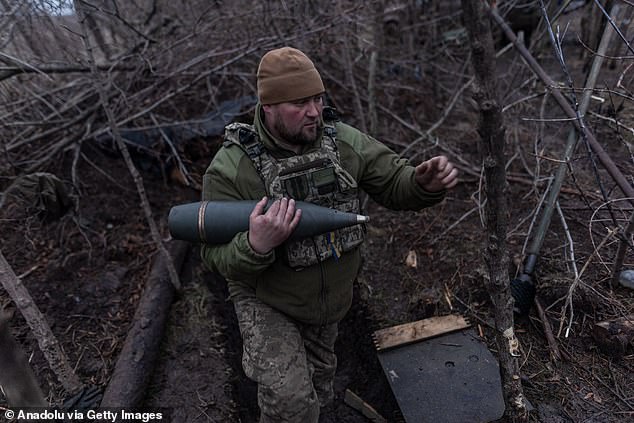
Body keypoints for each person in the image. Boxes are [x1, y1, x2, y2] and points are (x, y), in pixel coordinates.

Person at [200, 46, 458, 422]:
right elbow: (212, 255)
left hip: (330, 303)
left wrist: (423, 183)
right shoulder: (231, 168)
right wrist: (255, 245)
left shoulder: (342, 142)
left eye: (318, 99)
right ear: (268, 106)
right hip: (266, 298)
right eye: (300, 102)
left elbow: (395, 183)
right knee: (290, 404)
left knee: (319, 392)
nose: (314, 112)